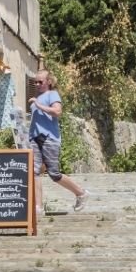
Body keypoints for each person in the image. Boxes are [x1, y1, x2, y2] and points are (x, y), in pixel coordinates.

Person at [29, 70, 89, 213]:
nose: (37, 84)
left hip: (49, 138)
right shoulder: (39, 97)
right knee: (34, 172)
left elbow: (57, 112)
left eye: (40, 82)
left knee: (54, 173)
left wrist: (38, 105)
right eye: (35, 82)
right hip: (34, 138)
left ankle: (81, 193)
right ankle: (38, 207)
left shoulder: (52, 95)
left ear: (48, 82)